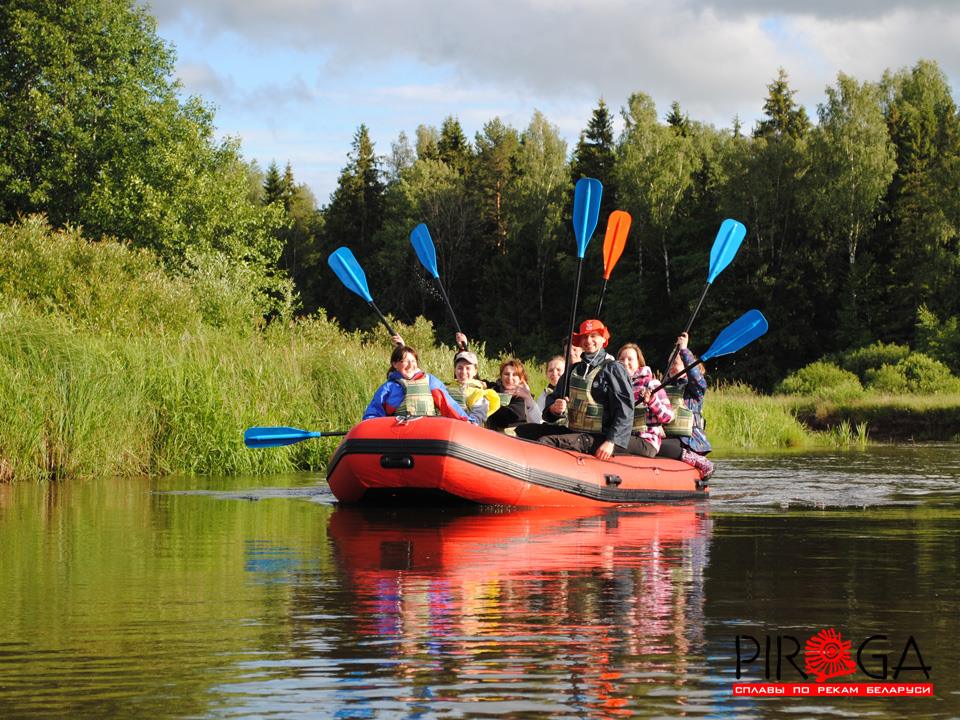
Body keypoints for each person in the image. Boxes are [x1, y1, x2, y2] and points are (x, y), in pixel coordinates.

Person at [537, 319, 635, 460]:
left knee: (545, 442)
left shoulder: (613, 369)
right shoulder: (573, 370)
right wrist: (553, 409)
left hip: (599, 437)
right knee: (526, 431)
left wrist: (611, 442)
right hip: (575, 432)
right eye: (584, 337)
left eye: (593, 336)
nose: (588, 341)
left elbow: (625, 409)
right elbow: (553, 400)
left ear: (603, 339)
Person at [363, 345, 473, 422]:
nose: (410, 365)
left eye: (413, 361)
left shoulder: (430, 381)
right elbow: (373, 414)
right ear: (395, 364)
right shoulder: (388, 387)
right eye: (405, 361)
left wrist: (466, 420)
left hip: (427, 432)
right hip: (399, 433)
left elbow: (448, 404)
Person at [658, 332, 714, 479]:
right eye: (670, 364)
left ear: (685, 365)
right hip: (668, 436)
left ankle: (698, 460)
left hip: (688, 440)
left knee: (657, 447)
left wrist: (683, 350)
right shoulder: (662, 388)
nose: (671, 368)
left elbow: (696, 378)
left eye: (675, 363)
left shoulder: (694, 389)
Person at [616, 342, 674, 458]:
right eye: (622, 359)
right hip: (624, 436)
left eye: (630, 359)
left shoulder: (652, 383)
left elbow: (668, 416)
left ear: (639, 363)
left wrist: (652, 401)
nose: (625, 363)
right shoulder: (616, 385)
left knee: (608, 443)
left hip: (646, 440)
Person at [446, 349, 501, 426]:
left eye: (468, 368)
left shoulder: (479, 393)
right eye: (460, 368)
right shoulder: (446, 388)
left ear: (475, 371)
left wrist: (470, 423)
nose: (463, 372)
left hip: (468, 430)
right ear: (455, 370)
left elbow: (478, 415)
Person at [486, 358, 543, 431]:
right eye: (506, 374)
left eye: (515, 375)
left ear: (521, 379)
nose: (510, 378)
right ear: (501, 376)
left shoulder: (524, 399)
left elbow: (508, 417)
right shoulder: (494, 389)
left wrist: (488, 402)